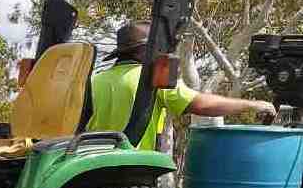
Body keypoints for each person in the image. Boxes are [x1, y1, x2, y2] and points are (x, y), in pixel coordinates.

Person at [87, 22, 276, 150]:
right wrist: (253, 105)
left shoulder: (96, 79)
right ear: (146, 50)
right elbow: (201, 105)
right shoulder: (153, 78)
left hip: (94, 160)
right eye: (159, 47)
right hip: (132, 162)